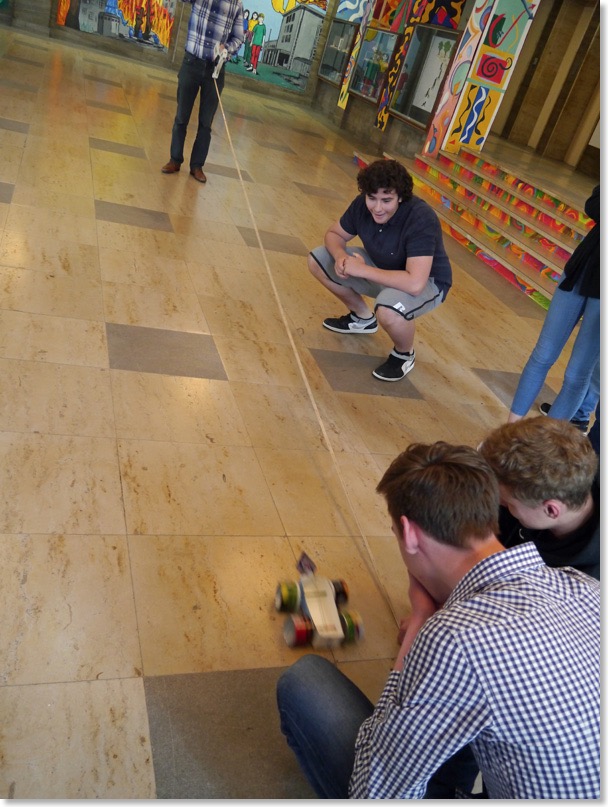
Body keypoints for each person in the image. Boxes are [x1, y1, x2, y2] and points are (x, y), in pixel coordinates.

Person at [276, 442, 600, 798]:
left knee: (304, 682)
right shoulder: (583, 584)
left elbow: (376, 793)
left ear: (410, 534)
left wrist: (420, 623)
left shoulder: (455, 640)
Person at [308, 159, 452, 381]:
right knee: (319, 259)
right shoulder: (361, 205)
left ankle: (404, 354)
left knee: (388, 309)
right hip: (381, 266)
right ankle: (362, 319)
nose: (377, 207)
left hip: (426, 281)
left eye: (386, 200)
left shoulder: (421, 218)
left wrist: (362, 270)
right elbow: (334, 234)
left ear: (400, 197)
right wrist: (340, 257)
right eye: (372, 198)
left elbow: (415, 284)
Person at [508, 184, 599, 423]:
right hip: (580, 270)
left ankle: (549, 441)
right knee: (542, 355)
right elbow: (594, 205)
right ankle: (508, 433)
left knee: (577, 374)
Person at [478, 416, 599, 580]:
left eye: (507, 503)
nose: (498, 503)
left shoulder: (582, 580)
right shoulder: (535, 499)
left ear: (551, 510)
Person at [161, 0, 244, 184]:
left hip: (215, 70)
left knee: (206, 122)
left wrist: (226, 49)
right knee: (181, 116)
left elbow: (239, 37)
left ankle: (197, 166)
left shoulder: (236, 4)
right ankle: (175, 160)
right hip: (191, 62)